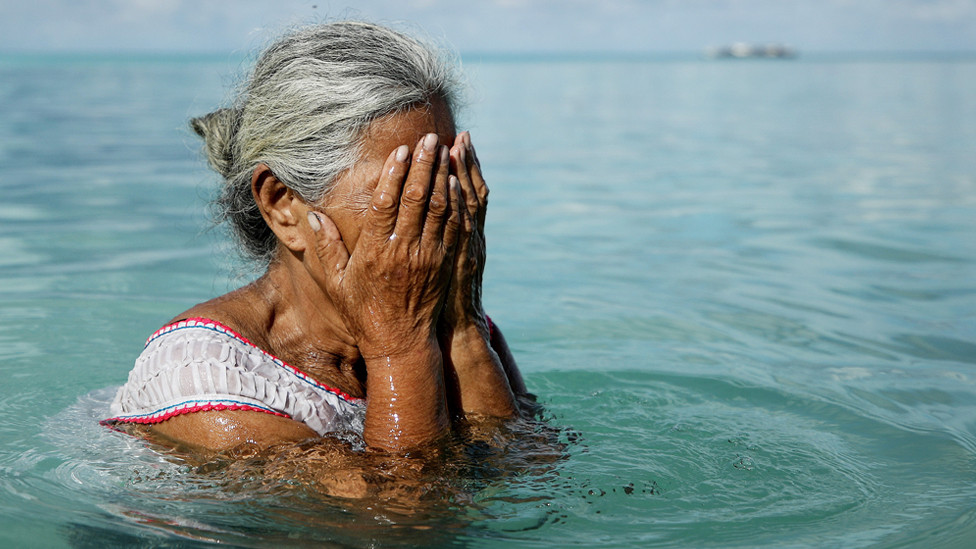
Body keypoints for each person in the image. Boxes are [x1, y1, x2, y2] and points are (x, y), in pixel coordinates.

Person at [104, 21, 529, 454]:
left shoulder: (451, 318)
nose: (444, 207)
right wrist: (399, 348)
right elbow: (404, 516)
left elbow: (530, 486)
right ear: (283, 204)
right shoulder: (205, 380)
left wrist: (464, 326)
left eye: (449, 173)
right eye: (406, 187)